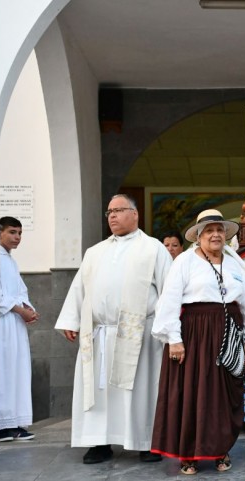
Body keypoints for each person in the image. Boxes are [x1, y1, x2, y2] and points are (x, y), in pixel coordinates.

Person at [150, 209, 245, 475]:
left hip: (230, 335)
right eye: (209, 231)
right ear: (198, 236)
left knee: (224, 396)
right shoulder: (184, 261)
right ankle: (189, 455)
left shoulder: (235, 263)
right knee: (192, 394)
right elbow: (169, 300)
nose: (216, 235)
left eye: (219, 230)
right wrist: (174, 340)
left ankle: (220, 449)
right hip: (195, 335)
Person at [54, 194, 172, 464]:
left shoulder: (153, 248)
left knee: (140, 391)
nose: (113, 216)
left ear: (135, 214)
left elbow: (169, 290)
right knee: (100, 392)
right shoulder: (95, 252)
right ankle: (99, 442)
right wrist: (71, 320)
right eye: (109, 212)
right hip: (100, 335)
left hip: (140, 335)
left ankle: (146, 442)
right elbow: (80, 287)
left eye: (119, 210)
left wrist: (169, 332)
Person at [0, 216, 38, 442]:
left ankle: (15, 423)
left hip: (16, 323)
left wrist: (28, 308)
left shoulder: (11, 261)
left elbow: (21, 291)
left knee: (17, 371)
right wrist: (20, 310)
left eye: (20, 233)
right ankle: (1, 425)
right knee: (4, 371)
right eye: (12, 232)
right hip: (3, 324)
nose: (17, 237)